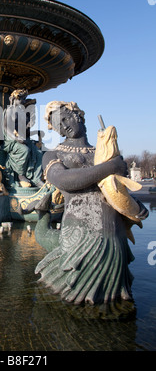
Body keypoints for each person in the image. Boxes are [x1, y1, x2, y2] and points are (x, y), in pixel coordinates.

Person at [36, 100, 148, 305]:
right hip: (81, 238)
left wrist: (135, 204)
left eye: (65, 118)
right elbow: (64, 181)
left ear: (77, 115)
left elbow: (118, 187)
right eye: (57, 124)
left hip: (115, 237)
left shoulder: (104, 151)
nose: (64, 126)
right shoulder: (53, 155)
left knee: (115, 302)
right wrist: (110, 166)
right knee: (77, 304)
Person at [1, 89, 43, 188]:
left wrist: (29, 125)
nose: (23, 101)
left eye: (24, 99)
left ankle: (36, 178)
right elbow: (6, 128)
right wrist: (16, 138)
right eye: (21, 99)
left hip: (22, 138)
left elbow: (23, 129)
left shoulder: (21, 112)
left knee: (38, 153)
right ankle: (21, 175)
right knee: (24, 150)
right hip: (10, 139)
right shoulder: (10, 110)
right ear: (15, 98)